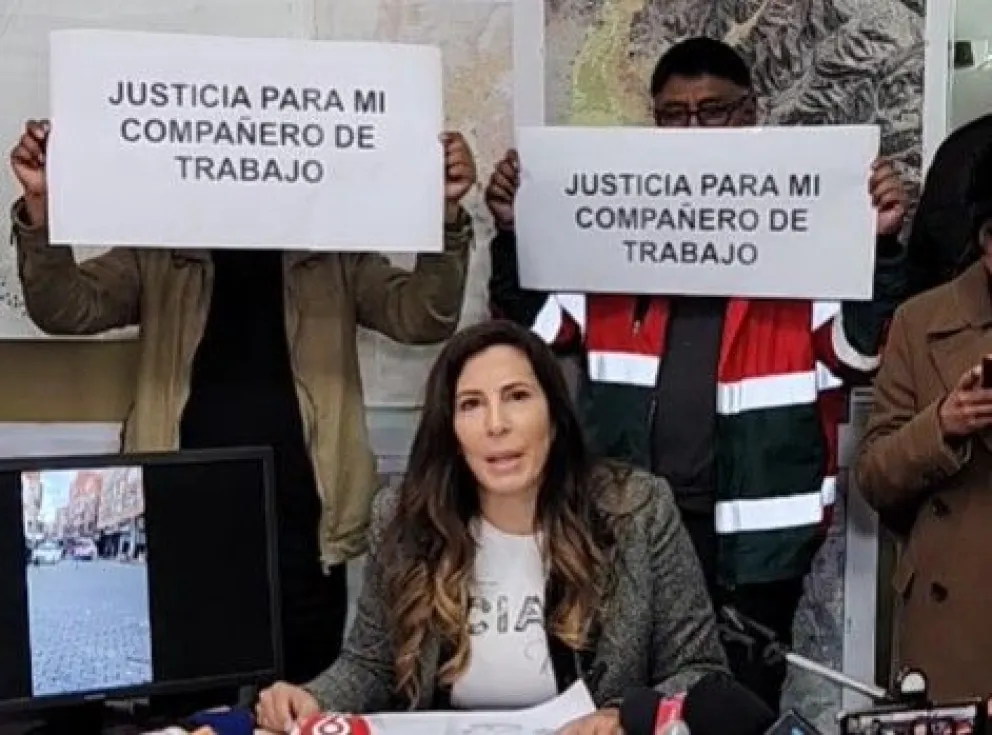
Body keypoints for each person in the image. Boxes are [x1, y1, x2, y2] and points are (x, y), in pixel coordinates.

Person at [485, 37, 909, 711]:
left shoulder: (805, 229)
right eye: (674, 114)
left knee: (733, 709)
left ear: (751, 116)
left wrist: (881, 243)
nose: (694, 129)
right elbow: (532, 332)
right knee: (625, 704)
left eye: (713, 110)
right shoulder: (615, 225)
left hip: (760, 537)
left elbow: (857, 354)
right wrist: (513, 232)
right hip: (630, 524)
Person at [8, 120, 477, 687]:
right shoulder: (162, 249)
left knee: (303, 701)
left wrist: (446, 219)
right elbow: (66, 308)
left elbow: (422, 315)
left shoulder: (331, 251)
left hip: (305, 533)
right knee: (186, 706)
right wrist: (41, 210)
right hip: (179, 526)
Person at [255, 319, 728, 733]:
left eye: (517, 397)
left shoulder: (637, 512)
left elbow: (700, 671)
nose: (495, 424)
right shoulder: (403, 519)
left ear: (554, 417)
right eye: (471, 405)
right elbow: (370, 664)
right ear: (451, 430)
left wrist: (622, 717)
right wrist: (312, 699)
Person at [855, 143, 992, 702]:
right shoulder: (923, 321)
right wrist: (943, 424)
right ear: (987, 242)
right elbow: (874, 476)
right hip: (953, 621)